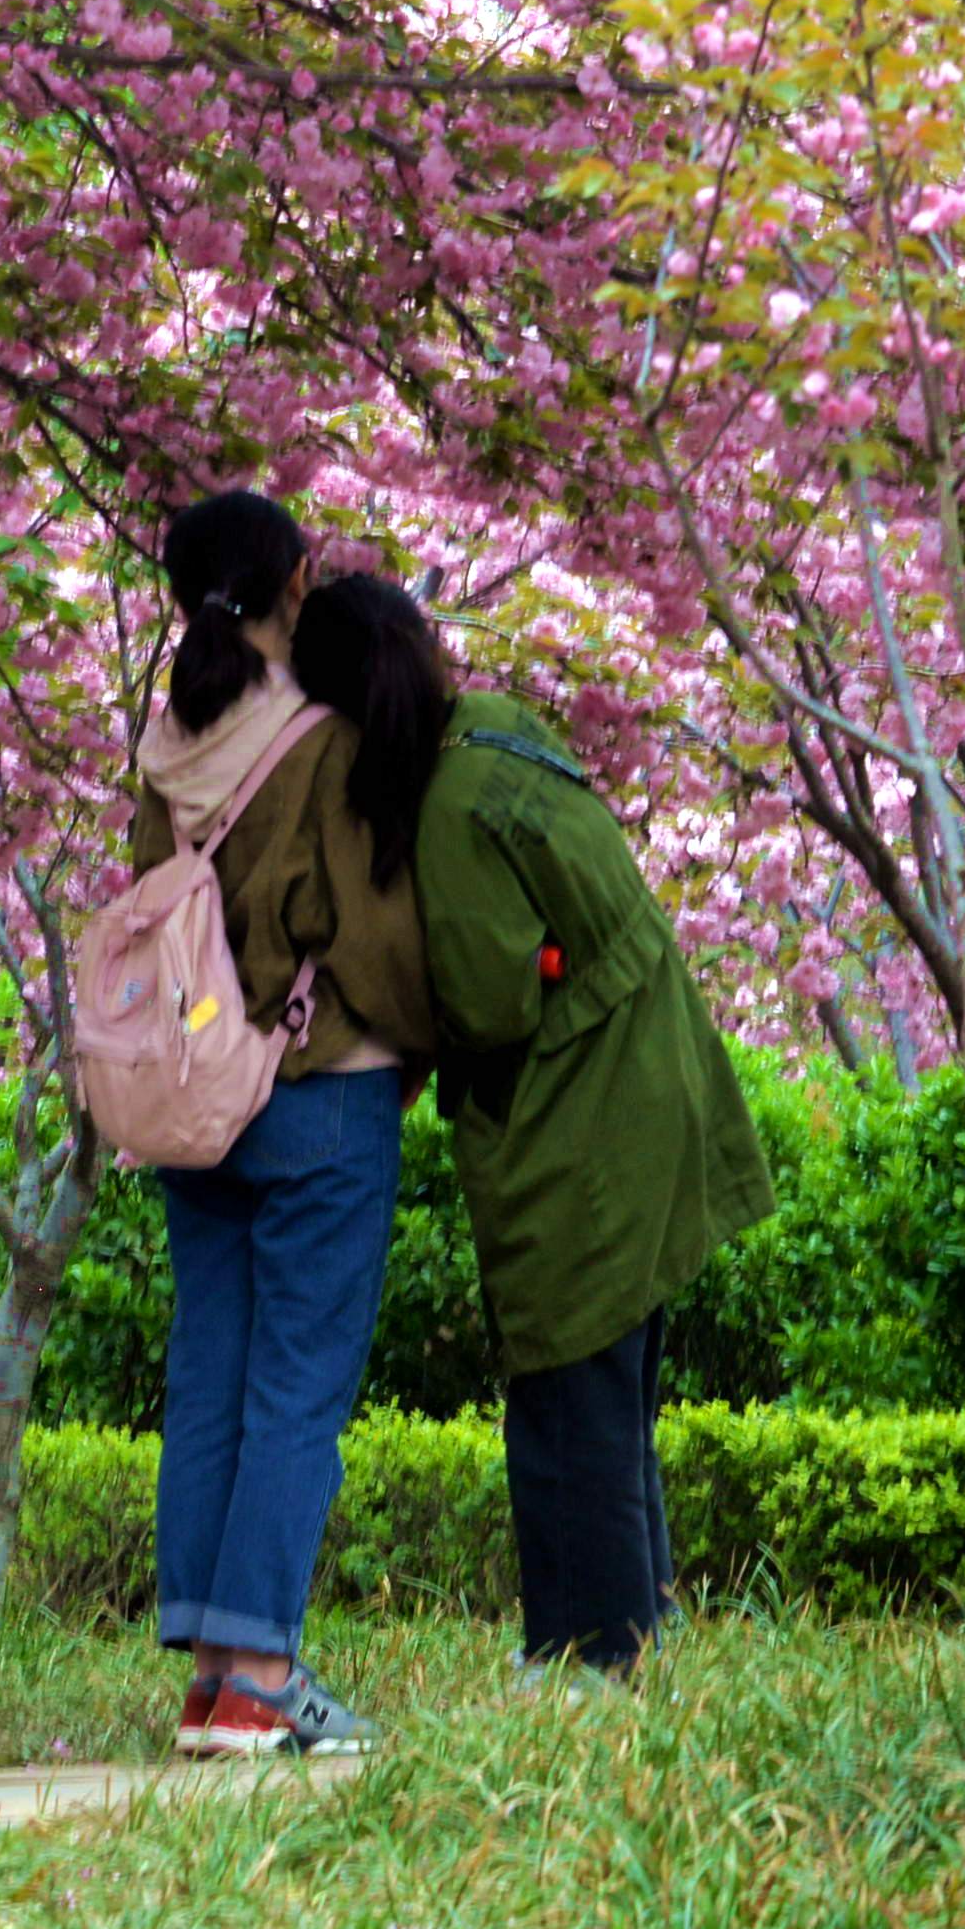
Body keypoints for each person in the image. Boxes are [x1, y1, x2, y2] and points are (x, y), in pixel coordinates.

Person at [378, 594, 771, 1684]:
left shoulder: (447, 807)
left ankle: (589, 1648)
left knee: (567, 1388)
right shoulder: (498, 726)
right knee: (612, 1379)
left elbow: (492, 997)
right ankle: (635, 1625)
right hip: (652, 1075)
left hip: (579, 1112)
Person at [128, 489, 442, 1760]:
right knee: (298, 1386)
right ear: (297, 580)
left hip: (196, 1100)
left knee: (210, 1371)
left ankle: (212, 1669)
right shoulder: (318, 739)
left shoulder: (162, 747)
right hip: (321, 1088)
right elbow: (362, 931)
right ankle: (262, 1672)